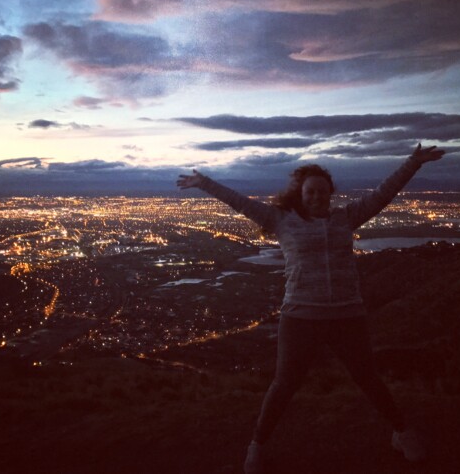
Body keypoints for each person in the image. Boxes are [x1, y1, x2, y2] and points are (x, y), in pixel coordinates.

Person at [177, 143, 444, 473]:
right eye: (310, 192)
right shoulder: (281, 220)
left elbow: (383, 194)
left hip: (347, 314)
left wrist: (413, 162)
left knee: (368, 377)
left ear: (330, 193)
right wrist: (204, 183)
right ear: (301, 195)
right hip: (300, 315)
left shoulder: (347, 217)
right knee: (284, 384)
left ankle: (402, 433)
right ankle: (257, 446)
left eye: (322, 191)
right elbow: (240, 202)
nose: (317, 196)